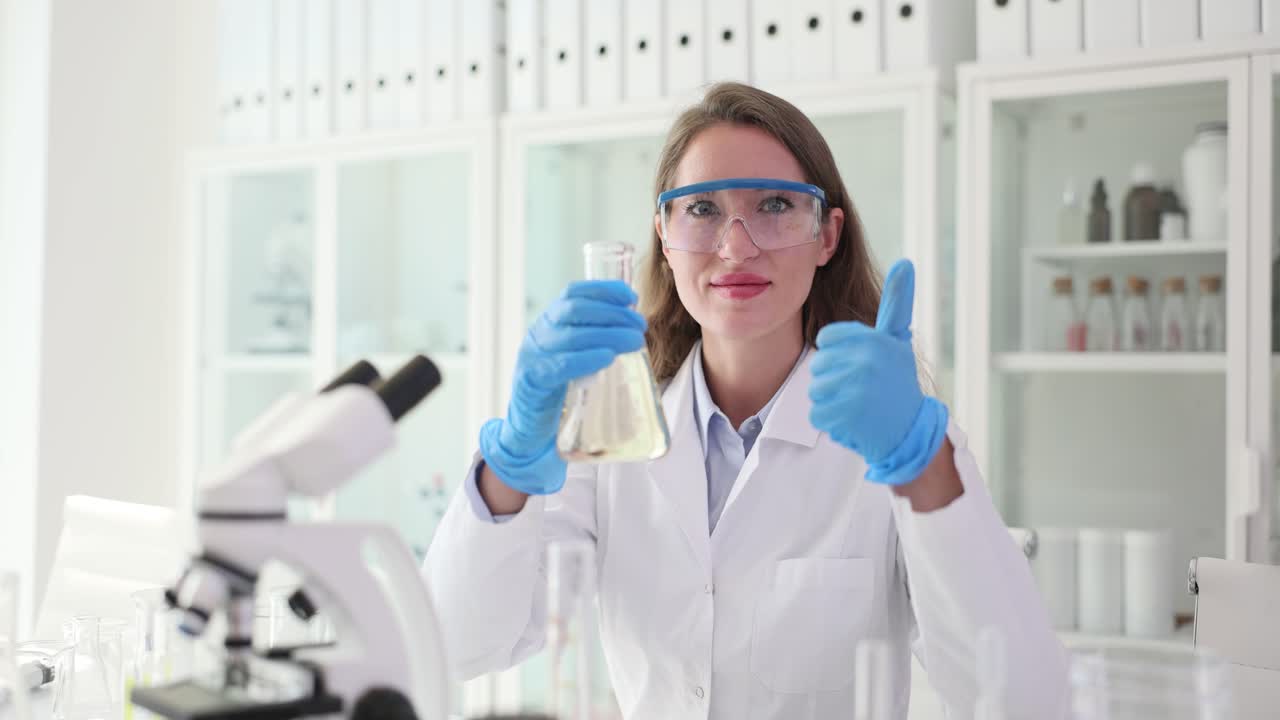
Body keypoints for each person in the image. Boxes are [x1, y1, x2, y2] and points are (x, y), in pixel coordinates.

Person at [424, 82, 1067, 719]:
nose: (736, 246)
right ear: (664, 235)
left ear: (827, 235)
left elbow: (1021, 699)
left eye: (775, 205)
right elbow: (457, 645)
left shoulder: (894, 441)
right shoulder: (614, 443)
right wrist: (509, 463)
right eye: (701, 209)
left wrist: (923, 468)